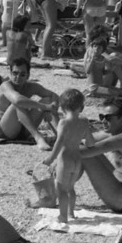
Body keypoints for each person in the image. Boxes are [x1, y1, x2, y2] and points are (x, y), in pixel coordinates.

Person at [43, 88, 92, 224]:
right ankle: (71, 213)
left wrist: (51, 158)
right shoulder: (84, 122)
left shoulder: (63, 123)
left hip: (65, 160)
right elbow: (90, 141)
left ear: (62, 108)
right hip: (77, 160)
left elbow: (59, 142)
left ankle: (63, 216)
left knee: (61, 189)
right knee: (70, 188)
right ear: (81, 107)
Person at [0, 58, 58, 151]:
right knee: (18, 103)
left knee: (47, 99)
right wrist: (45, 107)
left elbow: (53, 95)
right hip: (4, 130)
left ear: (28, 75)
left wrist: (49, 109)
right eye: (15, 73)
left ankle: (60, 133)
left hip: (24, 128)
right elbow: (18, 100)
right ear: (10, 73)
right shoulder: (6, 86)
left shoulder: (31, 86)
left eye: (22, 74)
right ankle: (38, 138)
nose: (18, 77)